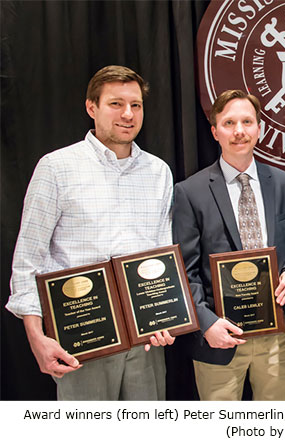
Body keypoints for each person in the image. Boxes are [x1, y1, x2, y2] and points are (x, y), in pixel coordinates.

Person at [7, 65, 175, 400]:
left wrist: (166, 314)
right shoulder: (56, 168)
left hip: (146, 342)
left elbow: (161, 253)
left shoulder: (158, 171)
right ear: (91, 107)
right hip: (81, 340)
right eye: (116, 103)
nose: (128, 114)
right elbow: (27, 259)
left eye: (136, 105)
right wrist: (36, 336)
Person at [172, 89, 285, 400]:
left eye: (247, 122)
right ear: (214, 131)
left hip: (277, 335)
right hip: (220, 336)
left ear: (259, 129)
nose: (239, 131)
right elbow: (183, 270)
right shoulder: (190, 192)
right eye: (229, 123)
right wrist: (206, 324)